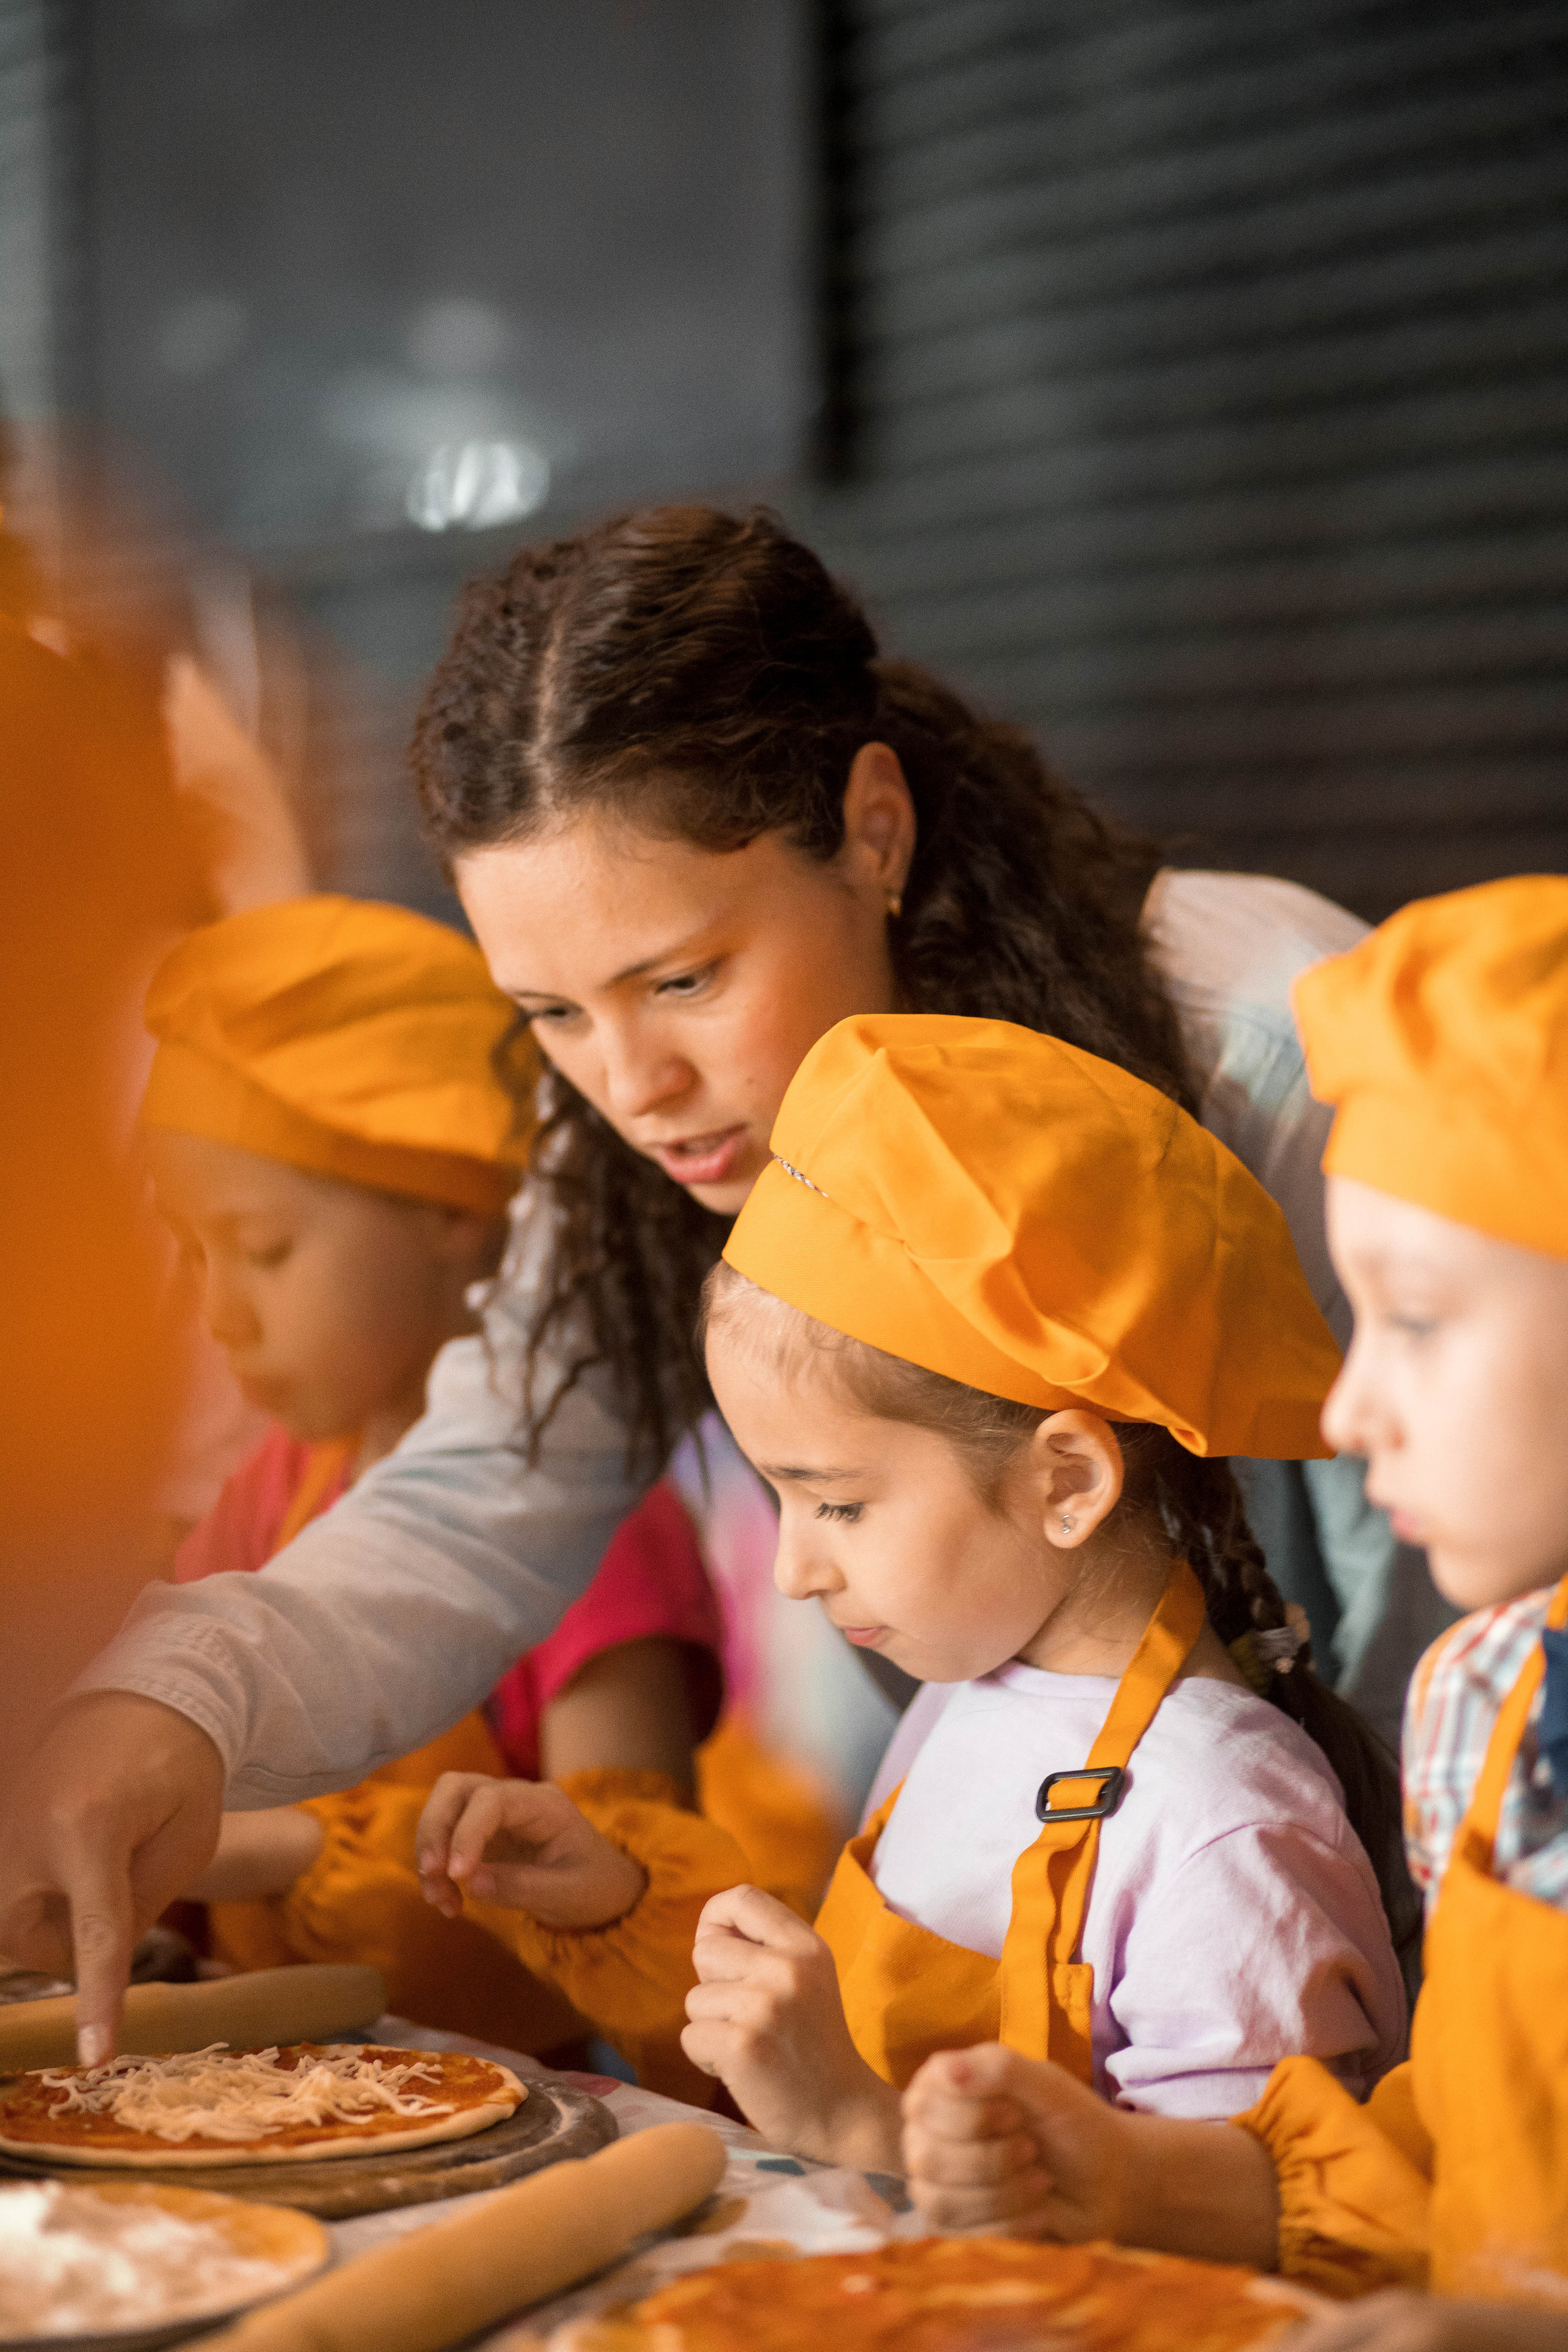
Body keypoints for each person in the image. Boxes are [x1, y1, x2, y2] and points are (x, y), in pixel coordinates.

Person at [0, 505, 1436, 2059]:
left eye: (684, 979)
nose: (630, 1085)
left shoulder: (1271, 1046)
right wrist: (170, 1698)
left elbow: (1455, 1631)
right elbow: (486, 1488)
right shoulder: (635, 1124)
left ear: (870, 830)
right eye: (549, 1011)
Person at [415, 1013, 1407, 2166]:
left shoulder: (1223, 1831)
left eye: (836, 1503)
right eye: (775, 1498)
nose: (792, 1571)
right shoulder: (971, 1692)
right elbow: (832, 2030)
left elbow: (1228, 2253)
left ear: (1069, 1482)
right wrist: (620, 1901)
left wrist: (859, 2125)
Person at [900, 878, 1568, 2345]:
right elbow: (1444, 2170)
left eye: (1417, 1317)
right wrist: (1130, 2173)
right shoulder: (1495, 1698)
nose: (1346, 1403)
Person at [138, 892, 728, 2083]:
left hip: (519, 2109)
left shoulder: (586, 1525)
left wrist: (255, 1847)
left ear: (459, 1212)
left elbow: (630, 1903)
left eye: (261, 1247)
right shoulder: (274, 1492)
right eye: (192, 1253)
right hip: (257, 2093)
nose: (220, 1312)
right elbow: (168, 1743)